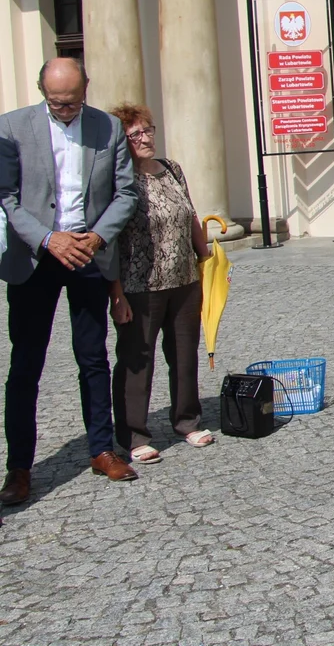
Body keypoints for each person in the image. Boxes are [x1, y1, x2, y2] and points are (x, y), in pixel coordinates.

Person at [0, 58, 140, 505]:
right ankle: (19, 467)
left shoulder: (107, 128)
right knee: (25, 365)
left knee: (93, 357)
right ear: (41, 90)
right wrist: (48, 238)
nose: (64, 110)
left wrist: (95, 237)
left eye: (73, 103)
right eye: (56, 103)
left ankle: (101, 448)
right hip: (34, 256)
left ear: (86, 89)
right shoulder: (11, 127)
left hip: (87, 253)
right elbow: (6, 197)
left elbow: (126, 194)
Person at [107, 103, 214, 464]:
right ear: (121, 141)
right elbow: (112, 239)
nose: (145, 138)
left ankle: (187, 421)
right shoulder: (118, 179)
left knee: (184, 354)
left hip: (184, 278)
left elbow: (190, 213)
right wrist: (116, 292)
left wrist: (208, 259)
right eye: (135, 134)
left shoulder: (171, 170)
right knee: (137, 359)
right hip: (139, 284)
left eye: (148, 130)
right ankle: (134, 434)